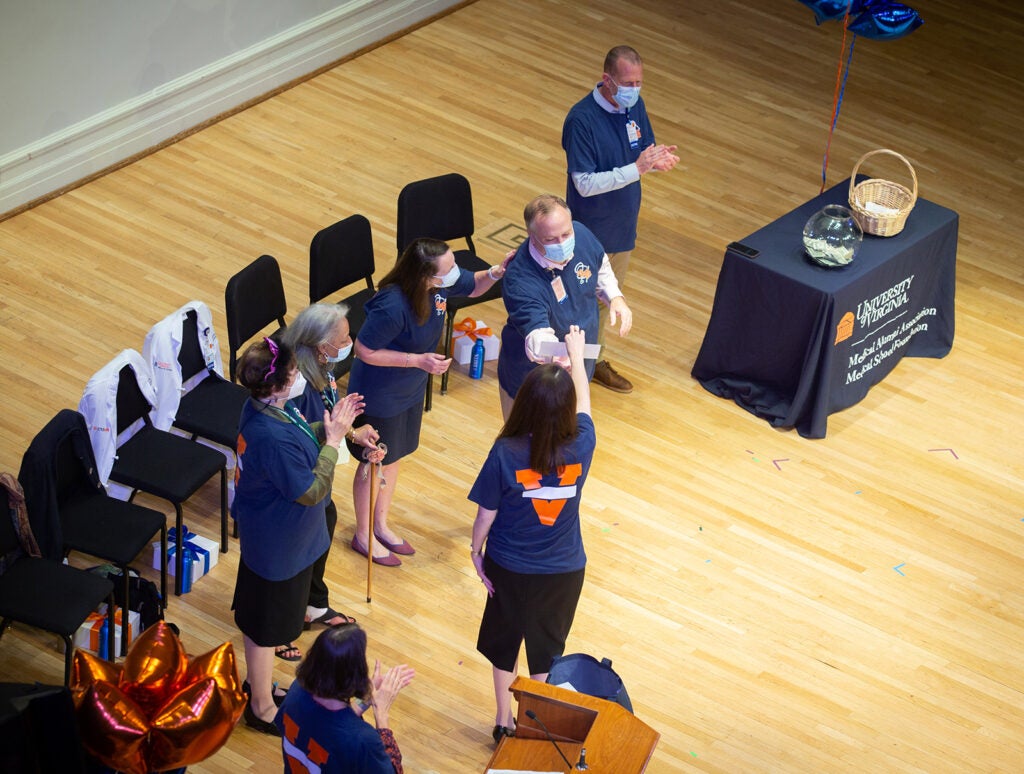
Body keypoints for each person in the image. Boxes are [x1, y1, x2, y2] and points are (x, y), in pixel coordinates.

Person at [346, 237, 507, 564]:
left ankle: (380, 524)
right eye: (447, 270)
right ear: (423, 275)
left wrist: (495, 272)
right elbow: (364, 350)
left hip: (410, 389)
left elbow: (474, 285)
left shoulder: (439, 285)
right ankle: (363, 535)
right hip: (381, 396)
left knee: (394, 457)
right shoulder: (392, 306)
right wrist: (417, 361)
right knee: (374, 462)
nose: (454, 274)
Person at [233, 337, 365, 735]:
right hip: (276, 546)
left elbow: (297, 433)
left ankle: (260, 683)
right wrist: (335, 440)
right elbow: (310, 491)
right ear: (274, 386)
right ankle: (260, 706)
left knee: (269, 623)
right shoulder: (270, 436)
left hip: (281, 538)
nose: (297, 377)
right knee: (264, 627)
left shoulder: (269, 408)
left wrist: (330, 429)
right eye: (291, 374)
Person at [470, 326, 594, 744]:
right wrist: (575, 358)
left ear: (523, 405)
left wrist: (475, 551)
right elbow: (587, 408)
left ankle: (503, 721)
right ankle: (532, 723)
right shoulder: (583, 444)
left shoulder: (505, 452)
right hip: (563, 571)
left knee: (504, 644)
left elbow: (487, 513)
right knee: (546, 652)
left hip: (509, 566)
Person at [562, 44, 679, 394]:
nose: (634, 89)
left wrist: (654, 161)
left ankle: (592, 363)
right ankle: (571, 371)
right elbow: (583, 184)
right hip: (591, 230)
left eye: (639, 82)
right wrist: (637, 168)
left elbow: (643, 151)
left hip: (623, 225)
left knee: (605, 300)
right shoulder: (581, 120)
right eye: (628, 82)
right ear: (607, 80)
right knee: (583, 303)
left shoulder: (634, 106)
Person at [280, 303, 385, 656]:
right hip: (295, 481)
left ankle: (313, 604)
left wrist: (354, 434)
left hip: (317, 469)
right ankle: (279, 628)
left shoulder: (321, 368)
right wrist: (340, 437)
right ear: (320, 345)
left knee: (325, 524)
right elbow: (306, 436)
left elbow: (330, 416)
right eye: (343, 338)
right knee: (295, 550)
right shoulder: (294, 385)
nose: (350, 342)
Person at [497, 194, 632, 420]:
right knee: (526, 446)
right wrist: (561, 355)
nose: (562, 243)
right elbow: (537, 337)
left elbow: (600, 267)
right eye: (551, 239)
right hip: (533, 378)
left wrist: (615, 297)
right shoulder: (520, 280)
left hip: (578, 362)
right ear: (532, 236)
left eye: (566, 234)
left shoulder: (580, 234)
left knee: (568, 434)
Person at [275, 624, 415, 773]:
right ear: (356, 672)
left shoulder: (297, 691)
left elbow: (327, 727)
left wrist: (366, 699)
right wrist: (381, 715)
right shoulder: (363, 741)